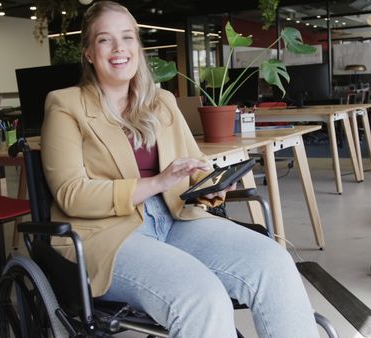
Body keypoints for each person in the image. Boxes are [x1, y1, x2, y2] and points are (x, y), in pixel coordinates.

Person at [41, 1, 319, 337]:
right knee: (201, 297)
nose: (119, 48)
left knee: (274, 263)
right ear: (88, 52)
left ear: (138, 46)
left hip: (176, 218)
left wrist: (210, 185)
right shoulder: (65, 105)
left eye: (127, 37)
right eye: (104, 40)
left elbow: (192, 166)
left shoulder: (161, 101)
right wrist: (157, 182)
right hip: (108, 234)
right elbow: (72, 194)